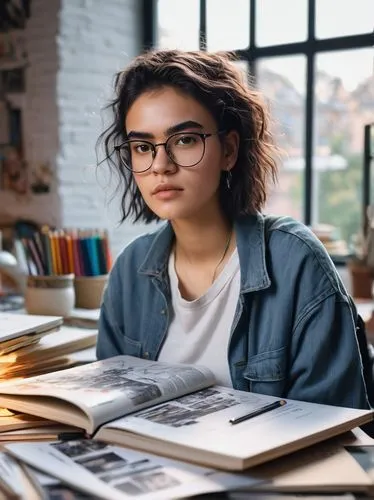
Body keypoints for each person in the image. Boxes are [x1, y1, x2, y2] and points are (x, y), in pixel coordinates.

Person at [96, 49, 370, 409]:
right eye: (143, 147)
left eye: (184, 140)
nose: (160, 165)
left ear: (228, 150)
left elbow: (331, 428)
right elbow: (108, 411)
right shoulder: (131, 270)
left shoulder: (295, 261)